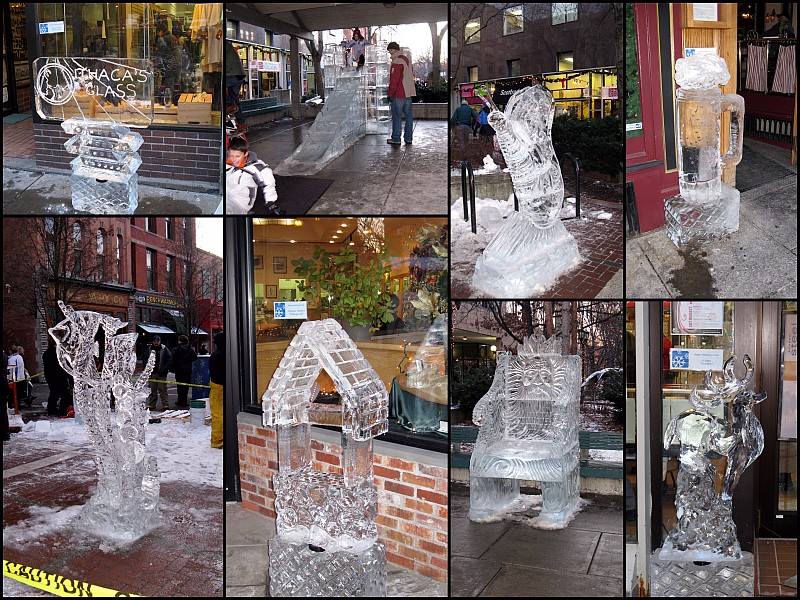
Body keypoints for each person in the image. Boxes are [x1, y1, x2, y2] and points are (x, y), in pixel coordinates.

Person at [226, 136, 279, 215]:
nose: (234, 159)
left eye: (237, 156)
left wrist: (271, 203)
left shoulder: (256, 168)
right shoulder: (228, 163)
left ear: (245, 153)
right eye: (231, 156)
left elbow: (268, 183)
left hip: (240, 203)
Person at [386, 41, 415, 145]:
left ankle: (396, 138)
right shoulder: (406, 60)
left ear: (395, 50)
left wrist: (390, 94)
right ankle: (408, 138)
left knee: (397, 117)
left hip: (398, 94)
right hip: (408, 94)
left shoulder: (397, 62)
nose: (390, 53)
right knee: (409, 118)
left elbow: (394, 81)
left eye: (391, 51)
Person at [43, 344, 71, 417]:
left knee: (54, 394)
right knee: (64, 394)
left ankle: (52, 410)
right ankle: (62, 411)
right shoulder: (58, 353)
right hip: (59, 377)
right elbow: (63, 366)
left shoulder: (47, 353)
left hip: (51, 377)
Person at [171, 335, 197, 409]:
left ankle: (180, 401)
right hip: (187, 371)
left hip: (179, 371)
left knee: (179, 387)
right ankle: (184, 402)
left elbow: (172, 359)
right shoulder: (190, 349)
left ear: (180, 341)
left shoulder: (176, 349)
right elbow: (195, 358)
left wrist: (173, 368)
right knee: (186, 387)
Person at [147, 336, 172, 412]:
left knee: (162, 389)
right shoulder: (149, 349)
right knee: (152, 390)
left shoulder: (164, 349)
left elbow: (169, 359)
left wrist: (165, 369)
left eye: (158, 341)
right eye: (155, 341)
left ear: (160, 341)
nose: (156, 342)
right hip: (152, 373)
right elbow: (146, 359)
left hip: (162, 373)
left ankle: (165, 405)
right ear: (153, 341)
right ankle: (152, 405)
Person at [209, 332, 224, 449]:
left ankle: (218, 440)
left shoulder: (215, 355)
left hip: (217, 386)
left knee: (217, 414)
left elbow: (212, 370)